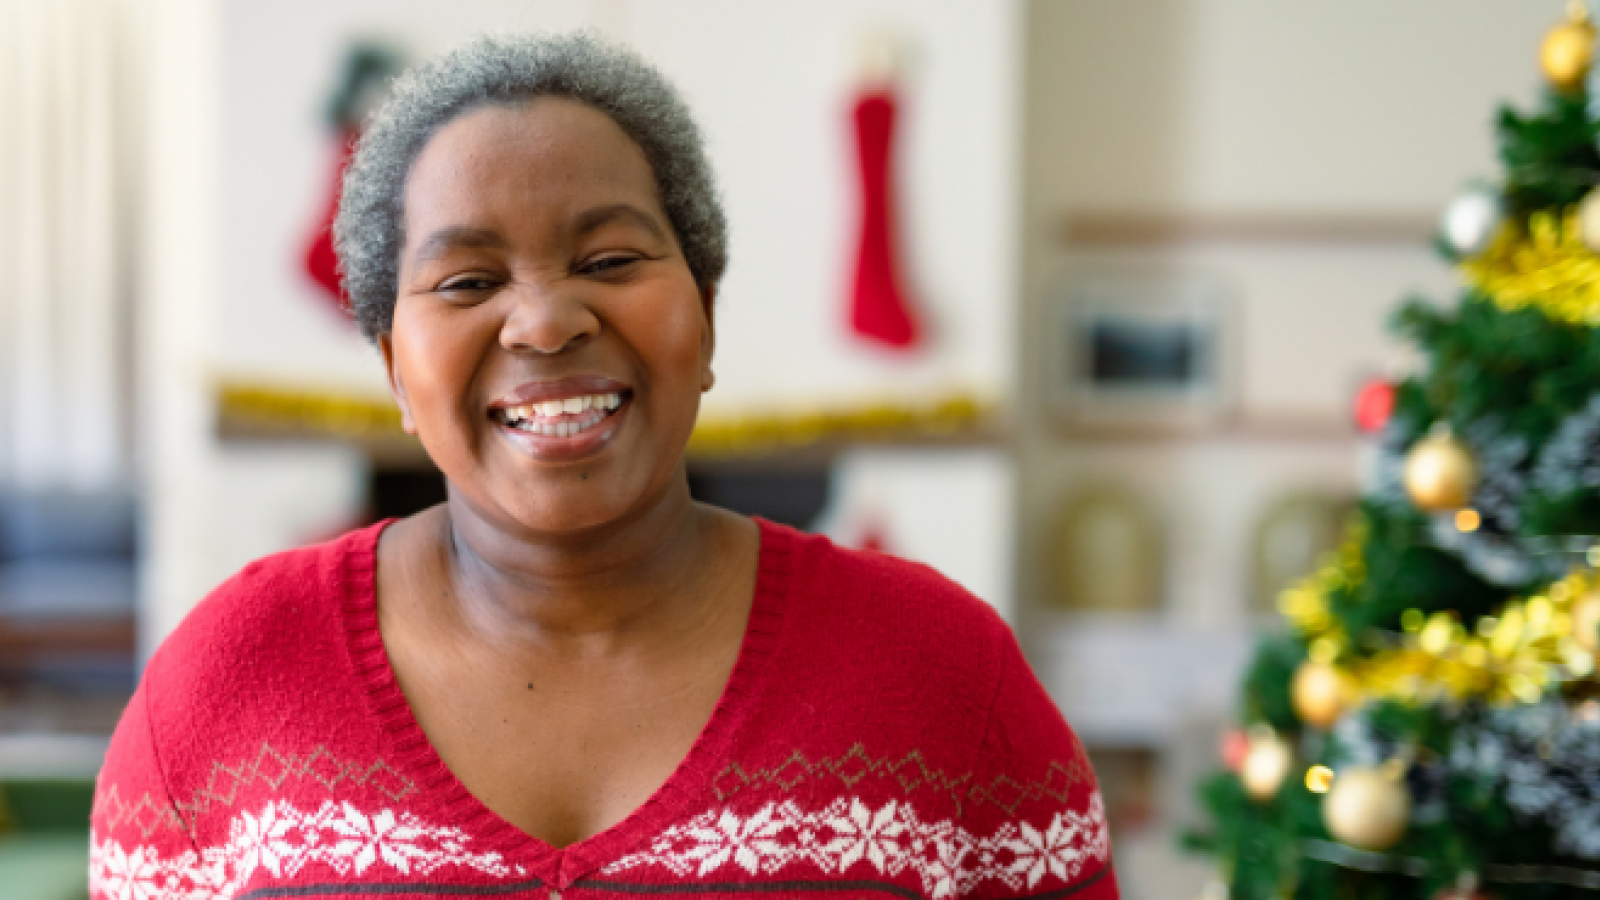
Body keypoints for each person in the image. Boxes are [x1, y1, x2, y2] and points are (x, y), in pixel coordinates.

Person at [89, 33, 1117, 900]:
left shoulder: (943, 675)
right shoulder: (224, 683)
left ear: (706, 319)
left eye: (611, 260)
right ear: (395, 368)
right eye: (467, 278)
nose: (543, 321)